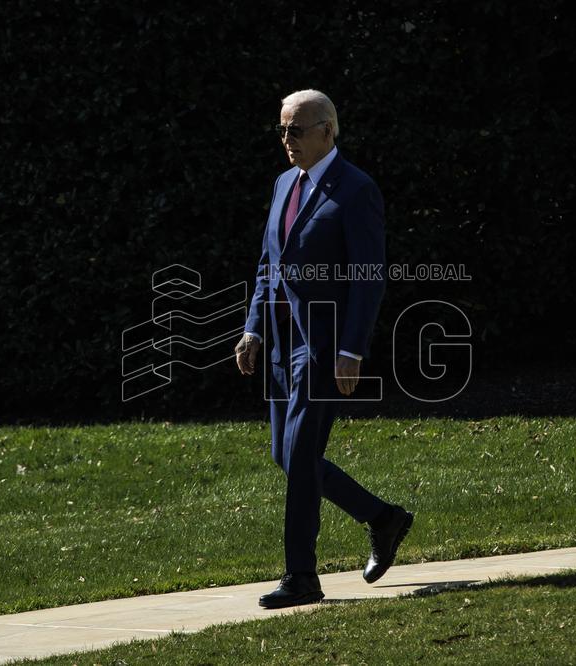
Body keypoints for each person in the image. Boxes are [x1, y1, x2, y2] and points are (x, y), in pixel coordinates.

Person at [234, 89, 413, 609]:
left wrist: (352, 350)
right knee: (287, 456)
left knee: (300, 455)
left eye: (297, 130)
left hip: (324, 341)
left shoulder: (356, 190)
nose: (286, 140)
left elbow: (368, 275)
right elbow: (270, 263)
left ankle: (301, 576)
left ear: (327, 131)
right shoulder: (283, 183)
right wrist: (252, 328)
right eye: (282, 130)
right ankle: (383, 517)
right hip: (279, 342)